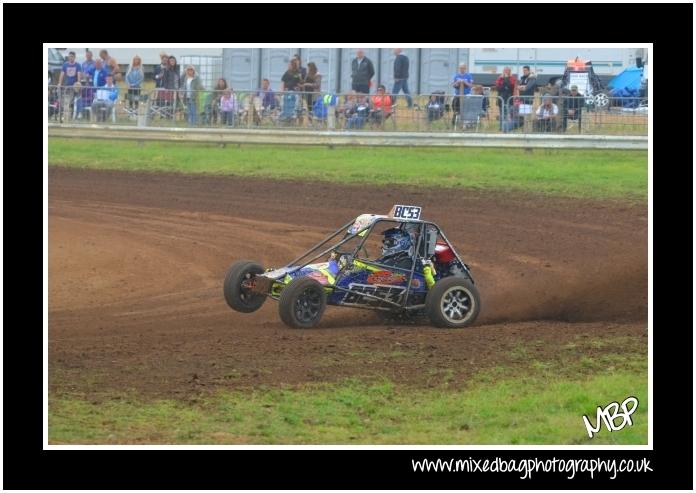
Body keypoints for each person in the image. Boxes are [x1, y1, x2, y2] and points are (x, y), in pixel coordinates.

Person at [58, 51, 82, 122]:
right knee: (65, 101)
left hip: (74, 86)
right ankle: (63, 115)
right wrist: (59, 83)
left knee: (78, 98)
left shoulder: (78, 65)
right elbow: (61, 75)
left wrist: (78, 83)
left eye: (71, 56)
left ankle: (78, 113)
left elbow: (79, 76)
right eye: (69, 56)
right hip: (67, 86)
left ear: (74, 57)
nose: (70, 58)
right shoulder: (65, 65)